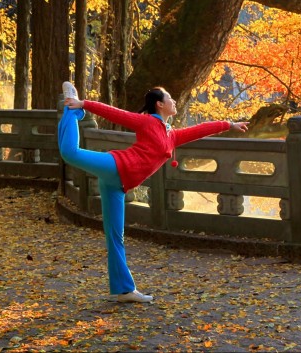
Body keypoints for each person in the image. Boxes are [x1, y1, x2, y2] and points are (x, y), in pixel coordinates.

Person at [57, 81, 249, 303]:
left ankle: (123, 290)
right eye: (170, 98)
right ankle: (71, 108)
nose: (174, 101)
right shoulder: (147, 122)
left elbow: (199, 130)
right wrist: (83, 104)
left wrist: (228, 124)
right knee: (70, 153)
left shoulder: (171, 135)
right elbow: (116, 114)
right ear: (159, 104)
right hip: (119, 165)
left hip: (119, 184)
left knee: (115, 236)